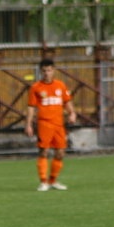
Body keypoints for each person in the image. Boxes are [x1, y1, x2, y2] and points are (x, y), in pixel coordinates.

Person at [25, 58, 77, 191]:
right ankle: (43, 181)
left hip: (59, 124)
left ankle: (53, 180)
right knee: (44, 151)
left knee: (60, 152)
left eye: (49, 70)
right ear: (40, 72)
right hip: (44, 123)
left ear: (53, 70)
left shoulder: (60, 85)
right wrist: (29, 124)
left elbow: (67, 101)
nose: (47, 73)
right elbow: (31, 106)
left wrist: (72, 113)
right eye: (44, 71)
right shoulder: (36, 87)